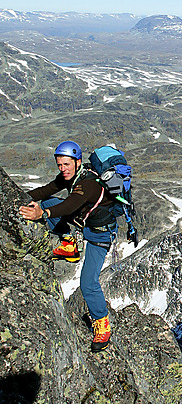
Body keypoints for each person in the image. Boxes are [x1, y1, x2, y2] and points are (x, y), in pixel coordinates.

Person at [19, 140, 117, 352]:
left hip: (100, 234)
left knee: (88, 282)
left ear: (78, 161)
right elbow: (46, 191)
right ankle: (69, 246)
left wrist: (42, 215)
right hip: (84, 222)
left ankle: (102, 324)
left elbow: (69, 205)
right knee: (46, 202)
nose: (62, 169)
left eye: (66, 164)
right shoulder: (70, 175)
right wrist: (18, 198)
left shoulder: (88, 183)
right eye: (59, 165)